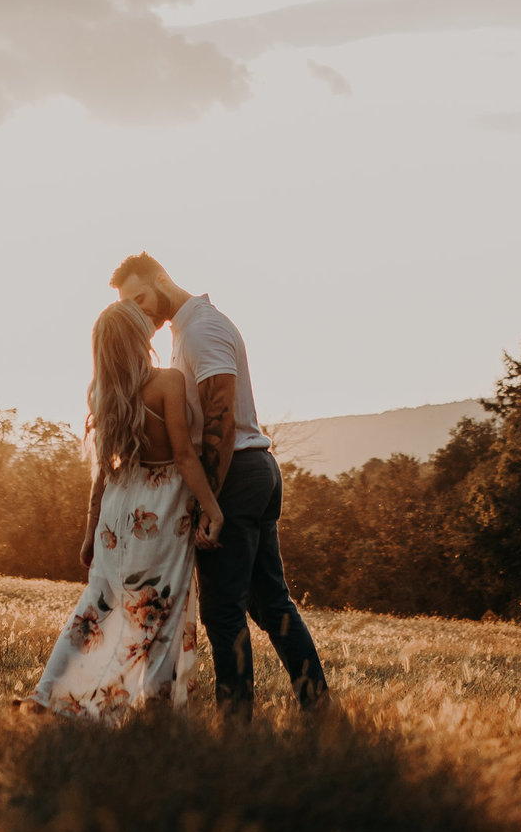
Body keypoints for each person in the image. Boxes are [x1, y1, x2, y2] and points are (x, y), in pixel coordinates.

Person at [110, 252, 330, 717]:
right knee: (271, 603)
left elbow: (220, 419)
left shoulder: (200, 329)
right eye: (130, 305)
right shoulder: (184, 331)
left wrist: (209, 503)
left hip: (237, 475)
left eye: (141, 297)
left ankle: (236, 724)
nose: (140, 311)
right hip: (252, 470)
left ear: (162, 280)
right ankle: (318, 707)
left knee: (223, 611)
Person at [26, 299, 226, 721]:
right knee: (160, 610)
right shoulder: (168, 382)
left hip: (116, 512)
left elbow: (100, 472)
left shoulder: (103, 393)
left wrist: (89, 531)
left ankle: (46, 696)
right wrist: (213, 509)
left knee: (94, 608)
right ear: (139, 339)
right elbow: (185, 457)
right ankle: (155, 708)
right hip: (161, 511)